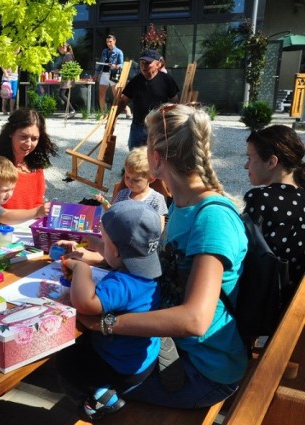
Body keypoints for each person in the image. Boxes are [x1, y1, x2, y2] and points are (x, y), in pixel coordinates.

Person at [73, 103, 247, 410]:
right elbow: (160, 267)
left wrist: (107, 323)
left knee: (73, 366)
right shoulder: (182, 203)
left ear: (155, 158)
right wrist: (102, 255)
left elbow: (194, 320)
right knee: (84, 350)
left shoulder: (212, 219)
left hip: (202, 368)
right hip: (171, 348)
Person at [57, 200, 162, 421]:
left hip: (120, 367)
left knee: (66, 362)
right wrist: (94, 244)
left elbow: (86, 303)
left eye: (104, 241)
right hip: (144, 358)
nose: (102, 246)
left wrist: (81, 269)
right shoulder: (149, 271)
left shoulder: (124, 282)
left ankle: (101, 398)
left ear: (114, 249)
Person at [243, 125, 305, 304]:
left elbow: (242, 252)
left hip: (262, 304)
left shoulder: (261, 199)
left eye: (250, 158)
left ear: (271, 162)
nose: (246, 165)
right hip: (295, 304)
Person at [0, 108, 58, 209]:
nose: (28, 144)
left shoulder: (36, 165)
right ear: (11, 133)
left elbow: (38, 203)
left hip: (28, 223)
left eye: (34, 139)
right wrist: (31, 214)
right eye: (23, 137)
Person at [119, 50, 179, 150]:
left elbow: (175, 102)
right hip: (138, 127)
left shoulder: (166, 80)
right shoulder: (135, 81)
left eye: (148, 63)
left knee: (156, 157)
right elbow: (124, 100)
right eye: (142, 63)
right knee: (135, 158)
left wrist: (174, 122)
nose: (144, 66)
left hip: (158, 127)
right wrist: (112, 118)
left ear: (158, 64)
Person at [93, 146, 168, 226]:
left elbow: (159, 228)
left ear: (151, 179)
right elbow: (113, 214)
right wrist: (105, 203)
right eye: (127, 177)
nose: (130, 182)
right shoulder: (122, 195)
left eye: (136, 180)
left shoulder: (156, 199)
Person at [94, 34, 132, 118]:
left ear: (114, 41)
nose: (108, 43)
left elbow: (121, 64)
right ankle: (103, 113)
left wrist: (116, 66)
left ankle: (127, 109)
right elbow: (101, 62)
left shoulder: (119, 52)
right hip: (104, 74)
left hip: (114, 74)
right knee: (101, 94)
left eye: (110, 41)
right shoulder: (104, 51)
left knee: (117, 96)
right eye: (107, 42)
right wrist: (96, 73)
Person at [56, 43, 76, 116]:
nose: (59, 51)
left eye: (59, 49)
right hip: (67, 78)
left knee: (61, 94)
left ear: (64, 48)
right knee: (65, 94)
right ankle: (68, 110)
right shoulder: (68, 55)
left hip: (67, 78)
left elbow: (68, 69)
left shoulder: (67, 56)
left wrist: (58, 71)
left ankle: (72, 110)